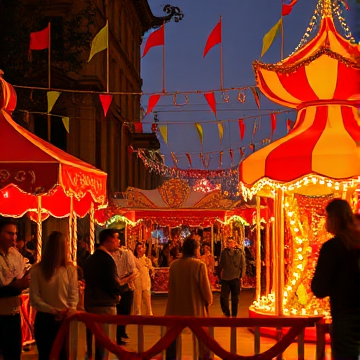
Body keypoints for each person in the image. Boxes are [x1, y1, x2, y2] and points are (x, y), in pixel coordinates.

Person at [311, 199, 360, 360]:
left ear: (334, 218)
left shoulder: (332, 247)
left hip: (345, 317)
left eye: (327, 217)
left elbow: (319, 288)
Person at [30, 231, 78, 360]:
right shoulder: (37, 270)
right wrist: (53, 310)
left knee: (63, 354)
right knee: (46, 354)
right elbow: (34, 297)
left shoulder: (70, 270)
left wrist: (69, 309)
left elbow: (74, 294)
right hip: (46, 318)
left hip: (64, 318)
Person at [165, 237, 213, 360]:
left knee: (172, 337)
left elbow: (170, 286)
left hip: (175, 307)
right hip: (195, 307)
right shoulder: (199, 265)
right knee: (202, 336)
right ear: (195, 250)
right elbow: (205, 289)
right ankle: (203, 357)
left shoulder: (174, 265)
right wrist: (209, 300)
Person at [83, 229, 123, 360]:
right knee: (105, 342)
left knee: (92, 342)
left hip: (90, 305)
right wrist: (119, 290)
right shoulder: (107, 261)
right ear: (108, 240)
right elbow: (111, 283)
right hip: (105, 304)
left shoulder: (90, 260)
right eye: (116, 238)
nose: (118, 242)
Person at [0, 218, 30, 360]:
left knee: (13, 354)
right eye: (9, 233)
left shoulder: (15, 255)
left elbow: (22, 275)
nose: (14, 237)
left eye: (15, 234)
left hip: (13, 315)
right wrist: (15, 287)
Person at [112, 244, 137, 345]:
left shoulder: (127, 254)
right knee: (119, 312)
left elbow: (134, 270)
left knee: (126, 312)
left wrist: (125, 279)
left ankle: (122, 330)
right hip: (117, 284)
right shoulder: (109, 256)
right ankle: (118, 335)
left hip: (126, 284)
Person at [219, 238, 246, 317]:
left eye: (231, 243)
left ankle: (232, 314)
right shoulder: (224, 253)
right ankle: (228, 313)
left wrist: (241, 276)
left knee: (233, 298)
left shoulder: (239, 253)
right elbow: (221, 265)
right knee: (226, 298)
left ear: (235, 244)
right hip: (227, 278)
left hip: (234, 278)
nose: (230, 244)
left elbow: (243, 265)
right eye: (229, 243)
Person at [133, 242, 154, 316]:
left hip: (146, 282)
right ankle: (138, 316)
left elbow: (151, 268)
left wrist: (152, 272)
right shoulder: (134, 259)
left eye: (141, 248)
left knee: (147, 300)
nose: (140, 250)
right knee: (137, 301)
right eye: (138, 248)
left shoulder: (147, 260)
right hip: (137, 281)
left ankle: (149, 314)